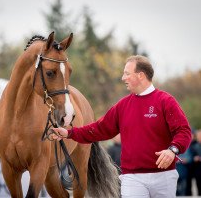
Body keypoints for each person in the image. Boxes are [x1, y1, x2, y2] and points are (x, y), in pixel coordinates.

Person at [51, 55, 192, 198]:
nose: (123, 78)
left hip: (164, 176)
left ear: (141, 75)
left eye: (127, 73)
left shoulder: (165, 101)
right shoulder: (122, 106)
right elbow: (98, 130)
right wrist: (69, 133)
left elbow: (184, 131)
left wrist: (172, 150)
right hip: (132, 178)